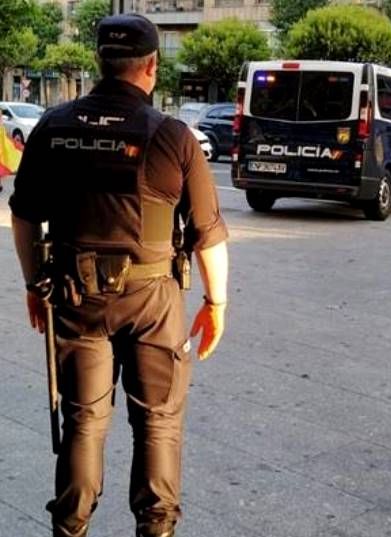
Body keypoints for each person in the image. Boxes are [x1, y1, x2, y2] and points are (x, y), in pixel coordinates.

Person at [9, 14, 229, 537]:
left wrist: (33, 284)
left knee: (84, 421)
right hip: (153, 302)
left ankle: (70, 526)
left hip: (76, 296)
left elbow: (24, 215)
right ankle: (156, 528)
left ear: (100, 62)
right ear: (151, 66)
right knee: (157, 421)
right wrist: (216, 302)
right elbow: (208, 234)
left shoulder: (53, 127)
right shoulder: (173, 136)